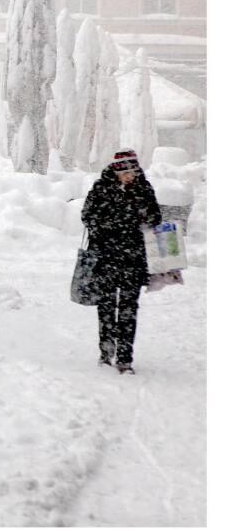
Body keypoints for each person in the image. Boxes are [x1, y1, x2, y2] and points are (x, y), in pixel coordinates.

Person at [79, 148, 163, 374]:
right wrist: (108, 226)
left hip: (133, 259)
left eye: (133, 171)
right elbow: (87, 215)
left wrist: (143, 216)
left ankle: (125, 359)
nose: (130, 176)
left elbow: (156, 217)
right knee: (106, 308)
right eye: (125, 172)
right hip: (106, 258)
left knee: (128, 310)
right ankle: (106, 353)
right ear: (116, 171)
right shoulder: (101, 188)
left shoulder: (144, 188)